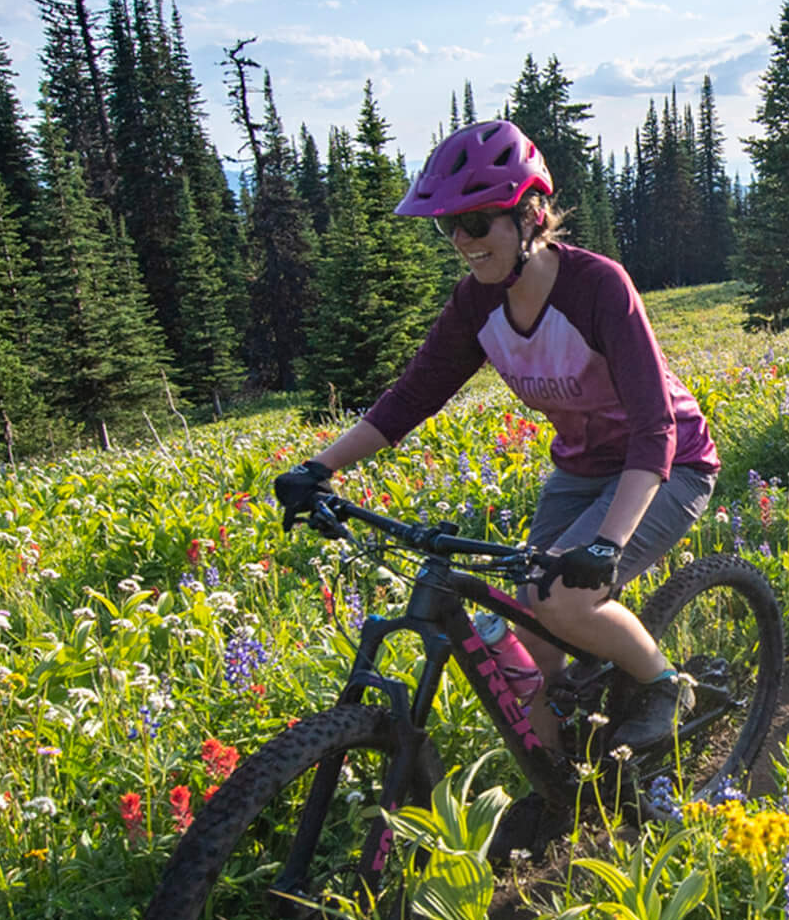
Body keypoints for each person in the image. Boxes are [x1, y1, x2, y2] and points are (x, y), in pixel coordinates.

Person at [273, 117, 719, 764]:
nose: (461, 240)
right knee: (532, 641)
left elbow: (656, 429)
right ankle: (558, 782)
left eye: (477, 222)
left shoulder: (597, 288)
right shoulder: (476, 305)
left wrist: (607, 543)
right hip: (580, 469)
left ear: (530, 214)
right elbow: (410, 399)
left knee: (563, 598)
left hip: (669, 466)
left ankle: (666, 688)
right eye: (447, 226)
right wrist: (318, 467)